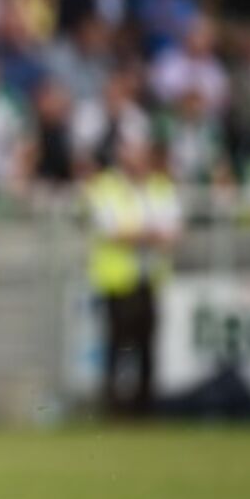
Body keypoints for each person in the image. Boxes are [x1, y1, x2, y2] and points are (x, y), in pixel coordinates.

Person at [85, 140, 181, 417]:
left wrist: (139, 234)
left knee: (147, 344)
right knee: (118, 343)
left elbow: (173, 230)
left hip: (149, 278)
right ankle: (113, 406)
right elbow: (112, 230)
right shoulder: (106, 187)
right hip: (118, 281)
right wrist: (150, 234)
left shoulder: (160, 187)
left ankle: (144, 407)